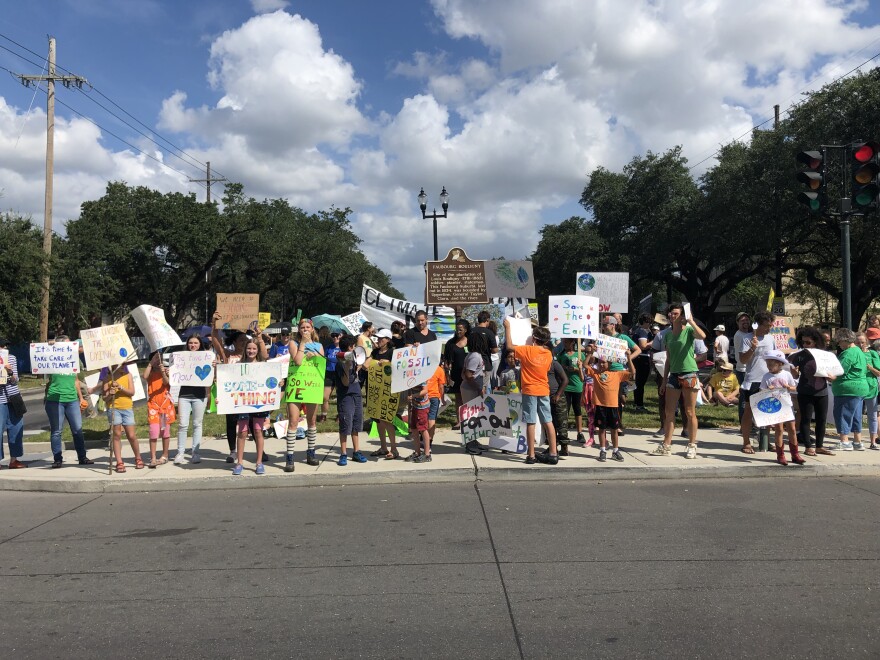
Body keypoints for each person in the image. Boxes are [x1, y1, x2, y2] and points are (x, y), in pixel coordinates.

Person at [653, 303, 707, 458]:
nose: (672, 315)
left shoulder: (689, 331)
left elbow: (702, 336)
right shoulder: (667, 334)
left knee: (690, 411)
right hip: (674, 375)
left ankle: (691, 445)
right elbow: (668, 359)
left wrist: (691, 321)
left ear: (682, 315)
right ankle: (666, 445)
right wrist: (664, 381)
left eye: (675, 313)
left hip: (689, 373)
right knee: (669, 412)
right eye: (670, 313)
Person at [503, 318, 558, 465]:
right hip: (543, 389)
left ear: (533, 338)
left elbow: (509, 346)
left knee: (530, 422)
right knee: (548, 421)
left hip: (529, 389)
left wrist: (508, 327)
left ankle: (531, 455)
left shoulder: (526, 350)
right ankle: (553, 453)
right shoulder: (548, 354)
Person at [43, 335, 93, 468]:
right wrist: (53, 344)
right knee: (57, 431)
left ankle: (82, 457)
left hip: (72, 400)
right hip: (55, 400)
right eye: (66, 344)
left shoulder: (72, 360)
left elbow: (76, 380)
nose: (69, 346)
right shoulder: (52, 358)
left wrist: (81, 398)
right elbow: (45, 350)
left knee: (77, 430)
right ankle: (57, 459)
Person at [284, 318, 324, 470]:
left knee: (312, 420)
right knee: (293, 421)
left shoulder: (319, 345)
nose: (305, 329)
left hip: (312, 385)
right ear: (299, 330)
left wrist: (315, 354)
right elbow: (298, 361)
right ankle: (290, 456)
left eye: (308, 327)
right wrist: (303, 343)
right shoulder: (293, 343)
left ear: (312, 329)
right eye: (302, 327)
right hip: (296, 385)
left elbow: (322, 363)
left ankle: (311, 452)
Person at [211, 312, 250, 463]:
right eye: (241, 340)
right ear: (234, 342)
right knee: (231, 422)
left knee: (251, 423)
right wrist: (214, 323)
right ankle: (233, 451)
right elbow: (215, 341)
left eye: (245, 340)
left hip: (247, 395)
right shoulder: (227, 355)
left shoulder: (252, 356)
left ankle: (260, 450)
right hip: (231, 396)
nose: (243, 343)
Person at [584, 346, 634, 462]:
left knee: (614, 429)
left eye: (604, 363)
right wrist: (590, 353)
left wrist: (628, 357)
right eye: (600, 362)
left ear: (610, 364)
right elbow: (585, 366)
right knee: (601, 429)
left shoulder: (617, 374)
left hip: (613, 406)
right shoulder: (595, 373)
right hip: (600, 406)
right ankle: (602, 450)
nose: (602, 365)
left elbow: (632, 372)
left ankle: (615, 450)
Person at [787, 327, 832, 457]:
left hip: (822, 390)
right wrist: (794, 371)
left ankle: (819, 446)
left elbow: (832, 373)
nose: (805, 345)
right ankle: (808, 446)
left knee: (821, 420)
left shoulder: (824, 355)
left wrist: (832, 377)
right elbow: (795, 376)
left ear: (816, 342)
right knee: (806, 419)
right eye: (803, 342)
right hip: (805, 390)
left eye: (808, 342)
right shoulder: (799, 356)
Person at [757, 350, 804, 466]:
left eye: (771, 365)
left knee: (792, 429)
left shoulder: (786, 374)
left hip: (786, 404)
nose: (769, 367)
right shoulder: (766, 376)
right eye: (767, 365)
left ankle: (795, 453)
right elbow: (761, 391)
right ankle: (780, 454)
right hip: (775, 405)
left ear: (779, 364)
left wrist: (788, 387)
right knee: (779, 429)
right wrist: (768, 389)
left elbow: (794, 388)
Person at [738, 311, 775, 454]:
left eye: (771, 326)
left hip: (768, 379)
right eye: (766, 326)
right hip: (753, 380)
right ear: (757, 324)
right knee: (749, 411)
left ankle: (764, 439)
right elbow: (743, 360)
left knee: (767, 411)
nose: (769, 329)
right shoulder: (747, 338)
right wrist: (753, 347)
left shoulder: (771, 338)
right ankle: (746, 442)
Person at [231, 337, 270, 475]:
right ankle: (239, 462)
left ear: (257, 350)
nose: (251, 351)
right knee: (242, 432)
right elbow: (229, 385)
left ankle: (259, 462)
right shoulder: (238, 365)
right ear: (245, 350)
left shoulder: (263, 366)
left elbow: (269, 382)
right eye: (249, 348)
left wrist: (279, 383)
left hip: (258, 403)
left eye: (254, 348)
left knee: (258, 431)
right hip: (243, 403)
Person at [99, 363, 143, 472]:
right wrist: (110, 393)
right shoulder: (107, 378)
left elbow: (131, 392)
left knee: (131, 435)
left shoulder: (128, 375)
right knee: (117, 434)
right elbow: (104, 398)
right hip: (113, 408)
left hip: (127, 408)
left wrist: (120, 387)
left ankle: (138, 457)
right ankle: (119, 462)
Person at [830, 328, 869, 451]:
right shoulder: (859, 351)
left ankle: (844, 441)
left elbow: (839, 371)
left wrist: (828, 376)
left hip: (847, 389)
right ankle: (857, 441)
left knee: (843, 413)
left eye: (840, 341)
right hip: (861, 387)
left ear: (845, 340)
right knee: (856, 415)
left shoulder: (848, 353)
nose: (839, 344)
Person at [174, 336, 210, 464]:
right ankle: (180, 453)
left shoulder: (206, 358)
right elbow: (175, 374)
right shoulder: (181, 358)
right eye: (190, 343)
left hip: (199, 396)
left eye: (196, 343)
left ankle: (196, 452)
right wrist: (170, 370)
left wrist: (213, 366)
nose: (193, 345)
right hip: (184, 395)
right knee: (183, 424)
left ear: (200, 344)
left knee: (197, 424)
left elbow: (212, 377)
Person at [601, 316, 640, 433]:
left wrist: (628, 359)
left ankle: (617, 424)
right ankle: (610, 422)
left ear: (613, 325)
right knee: (608, 399)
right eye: (602, 325)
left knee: (619, 399)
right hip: (606, 372)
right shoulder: (603, 339)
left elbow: (638, 350)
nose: (603, 327)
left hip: (619, 372)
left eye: (605, 325)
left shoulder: (623, 337)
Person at [335, 335, 368, 466]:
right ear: (350, 347)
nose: (355, 348)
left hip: (356, 394)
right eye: (353, 346)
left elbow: (362, 365)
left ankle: (356, 451)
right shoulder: (340, 363)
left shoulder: (354, 359)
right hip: (346, 396)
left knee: (356, 423)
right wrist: (347, 368)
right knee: (345, 424)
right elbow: (345, 382)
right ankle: (343, 453)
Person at [368, 328, 399, 459]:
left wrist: (389, 363)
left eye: (382, 338)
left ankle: (394, 449)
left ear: (388, 340)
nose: (379, 340)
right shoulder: (375, 352)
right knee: (378, 419)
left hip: (388, 390)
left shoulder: (393, 352)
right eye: (378, 338)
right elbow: (366, 364)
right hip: (375, 389)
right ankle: (383, 447)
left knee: (387, 419)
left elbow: (399, 367)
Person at [143, 351, 176, 468]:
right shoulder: (150, 372)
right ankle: (153, 457)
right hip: (154, 406)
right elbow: (144, 376)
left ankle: (164, 455)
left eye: (159, 359)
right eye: (155, 359)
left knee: (165, 431)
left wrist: (163, 373)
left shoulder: (166, 371)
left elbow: (167, 383)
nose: (158, 361)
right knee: (153, 431)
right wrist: (151, 364)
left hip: (165, 405)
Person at [557, 338, 585, 443]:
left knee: (577, 409)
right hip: (566, 386)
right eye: (563, 342)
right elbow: (558, 369)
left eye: (567, 342)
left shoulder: (579, 355)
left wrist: (577, 368)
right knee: (565, 410)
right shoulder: (561, 355)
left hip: (577, 385)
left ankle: (580, 432)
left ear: (572, 342)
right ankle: (564, 433)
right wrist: (564, 367)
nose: (565, 344)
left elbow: (583, 370)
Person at [444, 319, 470, 430]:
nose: (458, 331)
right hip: (456, 374)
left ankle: (469, 420)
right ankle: (459, 421)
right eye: (457, 329)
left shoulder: (471, 341)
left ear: (466, 330)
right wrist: (447, 373)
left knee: (469, 398)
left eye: (460, 329)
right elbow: (447, 361)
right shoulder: (451, 343)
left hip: (469, 375)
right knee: (458, 398)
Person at [857, 332, 880, 449]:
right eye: (858, 342)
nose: (860, 345)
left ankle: (873, 442)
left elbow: (879, 372)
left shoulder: (872, 354)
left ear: (866, 342)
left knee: (872, 415)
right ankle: (858, 441)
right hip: (857, 388)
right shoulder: (853, 354)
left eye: (862, 342)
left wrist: (870, 367)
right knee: (857, 416)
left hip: (871, 387)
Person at [630, 314, 654, 413]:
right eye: (649, 322)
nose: (650, 324)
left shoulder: (637, 330)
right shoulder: (643, 331)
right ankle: (639, 405)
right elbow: (643, 345)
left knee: (638, 382)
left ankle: (637, 402)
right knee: (640, 383)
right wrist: (654, 342)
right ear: (645, 322)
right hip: (642, 358)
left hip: (638, 358)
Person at [548, 353, 570, 454]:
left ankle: (564, 447)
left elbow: (565, 380)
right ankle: (553, 447)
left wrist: (558, 395)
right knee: (550, 423)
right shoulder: (541, 364)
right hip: (546, 397)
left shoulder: (555, 364)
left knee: (561, 423)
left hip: (557, 397)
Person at [732, 312, 752, 422]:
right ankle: (744, 421)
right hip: (743, 369)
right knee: (745, 397)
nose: (745, 322)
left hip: (748, 369)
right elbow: (742, 356)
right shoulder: (740, 335)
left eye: (747, 320)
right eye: (742, 320)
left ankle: (747, 420)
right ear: (737, 323)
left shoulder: (747, 334)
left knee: (748, 396)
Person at [406, 381, 431, 463]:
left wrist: (413, 396)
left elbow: (425, 390)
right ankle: (417, 452)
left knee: (423, 429)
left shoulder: (421, 376)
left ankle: (427, 454)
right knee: (414, 428)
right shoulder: (411, 375)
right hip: (415, 405)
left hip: (422, 406)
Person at [473, 311, 499, 390]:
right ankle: (482, 402)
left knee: (474, 387)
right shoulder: (489, 333)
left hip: (472, 363)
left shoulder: (471, 331)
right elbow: (494, 350)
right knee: (484, 388)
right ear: (487, 320)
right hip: (485, 362)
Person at [320, 331, 340, 423]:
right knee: (325, 397)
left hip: (340, 374)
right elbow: (322, 359)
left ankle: (340, 415)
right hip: (329, 373)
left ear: (341, 336)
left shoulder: (344, 348)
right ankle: (323, 415)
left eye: (337, 335)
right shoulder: (328, 347)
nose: (335, 337)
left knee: (340, 396)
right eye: (333, 335)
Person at [426, 360, 447, 445]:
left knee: (424, 418)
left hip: (423, 397)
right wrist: (442, 399)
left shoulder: (424, 368)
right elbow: (441, 386)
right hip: (434, 397)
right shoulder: (439, 370)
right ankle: (430, 439)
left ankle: (424, 436)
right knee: (432, 418)